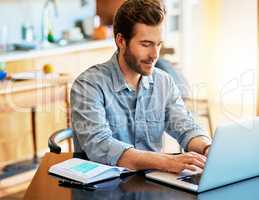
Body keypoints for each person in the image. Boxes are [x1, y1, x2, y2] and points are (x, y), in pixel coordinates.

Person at [71, 0, 211, 174]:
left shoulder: (163, 82)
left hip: (152, 183)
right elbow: (100, 146)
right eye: (146, 44)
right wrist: (167, 161)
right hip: (103, 188)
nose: (154, 55)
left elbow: (185, 126)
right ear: (121, 41)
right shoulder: (88, 85)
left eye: (158, 44)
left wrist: (208, 148)